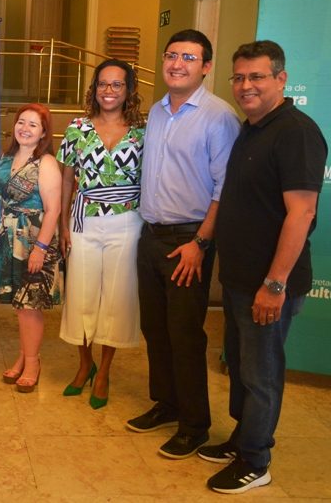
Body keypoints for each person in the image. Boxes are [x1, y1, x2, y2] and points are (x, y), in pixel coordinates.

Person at [199, 40, 327, 494]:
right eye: (239, 77)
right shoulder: (251, 128)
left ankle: (256, 460)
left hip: (269, 285)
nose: (246, 85)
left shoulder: (296, 132)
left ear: (281, 79)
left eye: (257, 76)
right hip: (240, 279)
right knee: (240, 365)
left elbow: (302, 212)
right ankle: (242, 438)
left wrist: (274, 285)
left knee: (261, 373)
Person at [126, 29, 241, 459]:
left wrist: (200, 242)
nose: (177, 64)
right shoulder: (157, 112)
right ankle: (168, 404)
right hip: (151, 235)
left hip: (189, 241)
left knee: (185, 334)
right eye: (172, 55)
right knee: (155, 328)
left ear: (206, 66)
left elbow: (225, 188)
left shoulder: (218, 116)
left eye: (189, 58)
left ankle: (194, 426)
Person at [57, 59, 145, 409]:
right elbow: (67, 179)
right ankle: (85, 364)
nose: (109, 91)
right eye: (103, 84)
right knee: (81, 295)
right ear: (94, 89)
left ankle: (104, 371)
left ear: (129, 90)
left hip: (127, 221)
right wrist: (63, 224)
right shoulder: (77, 128)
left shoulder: (143, 131)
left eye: (117, 84)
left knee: (116, 299)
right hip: (84, 221)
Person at [0, 103, 62, 393]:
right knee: (19, 306)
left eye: (33, 124)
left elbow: (54, 209)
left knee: (30, 306)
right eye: (21, 122)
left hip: (34, 239)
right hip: (10, 237)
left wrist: (40, 249)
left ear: (43, 132)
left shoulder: (45, 163)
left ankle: (33, 363)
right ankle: (23, 356)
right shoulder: (6, 158)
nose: (25, 128)